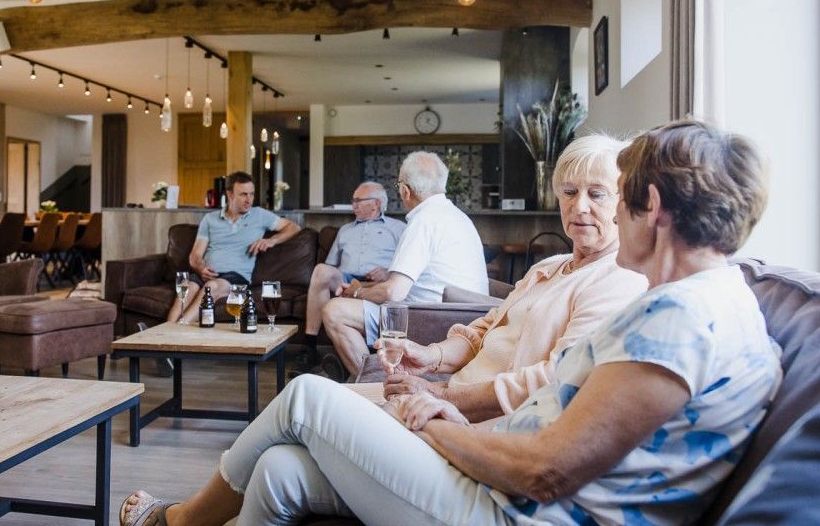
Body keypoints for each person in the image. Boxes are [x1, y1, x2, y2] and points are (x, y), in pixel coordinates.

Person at [120, 120, 781, 526]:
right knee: (279, 473)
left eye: (615, 195)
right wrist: (440, 399)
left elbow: (545, 472)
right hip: (495, 476)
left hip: (512, 510)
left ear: (651, 206)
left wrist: (435, 419)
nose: (592, 212)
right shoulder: (703, 301)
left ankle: (175, 524)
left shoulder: (681, 316)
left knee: (307, 397)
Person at [379, 135, 648, 421]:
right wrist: (431, 357)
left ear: (625, 202)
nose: (579, 206)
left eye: (597, 194)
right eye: (569, 192)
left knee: (326, 407)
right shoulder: (549, 267)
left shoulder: (619, 280)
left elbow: (559, 377)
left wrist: (441, 396)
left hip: (481, 423)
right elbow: (484, 330)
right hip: (446, 401)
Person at [323, 151, 489, 379]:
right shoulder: (457, 216)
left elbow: (394, 291)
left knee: (334, 310)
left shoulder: (423, 221)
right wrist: (363, 290)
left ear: (405, 190)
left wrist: (358, 292)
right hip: (466, 320)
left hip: (433, 320)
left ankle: (374, 381)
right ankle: (362, 372)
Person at [291, 181, 406, 376]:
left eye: (358, 201)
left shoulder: (399, 228)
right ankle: (309, 347)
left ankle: (348, 365)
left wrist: (388, 272)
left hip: (379, 283)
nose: (353, 205)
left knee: (388, 281)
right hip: (346, 280)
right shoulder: (345, 230)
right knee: (321, 270)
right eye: (353, 201)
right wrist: (345, 284)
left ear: (376, 204)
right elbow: (331, 265)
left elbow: (406, 267)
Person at [168, 171, 301, 324]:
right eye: (243, 194)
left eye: (251, 194)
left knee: (211, 287)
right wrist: (200, 268)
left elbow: (294, 227)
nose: (249, 200)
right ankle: (161, 336)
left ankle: (178, 329)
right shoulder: (210, 219)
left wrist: (272, 240)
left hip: (236, 276)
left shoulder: (259, 215)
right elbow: (195, 256)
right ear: (230, 195)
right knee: (187, 287)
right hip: (207, 273)